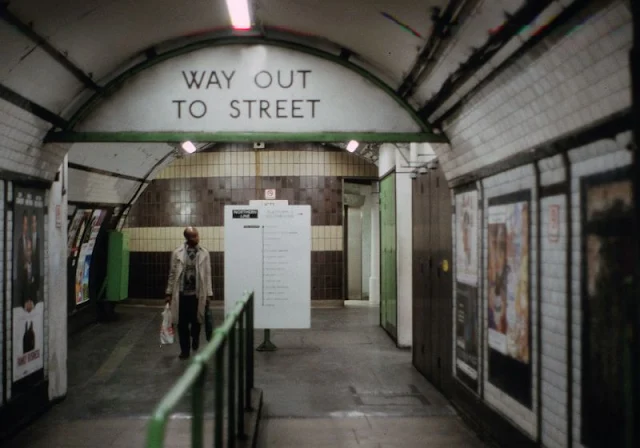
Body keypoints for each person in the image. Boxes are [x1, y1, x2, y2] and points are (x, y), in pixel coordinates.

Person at [165, 227, 213, 360]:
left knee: (197, 321)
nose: (197, 238)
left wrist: (209, 294)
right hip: (181, 295)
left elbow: (208, 274)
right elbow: (172, 274)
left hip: (197, 295)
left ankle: (195, 337)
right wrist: (168, 293)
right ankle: (184, 350)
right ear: (187, 238)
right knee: (182, 324)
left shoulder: (204, 253)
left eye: (197, 235)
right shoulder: (177, 253)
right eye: (194, 236)